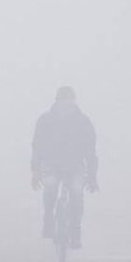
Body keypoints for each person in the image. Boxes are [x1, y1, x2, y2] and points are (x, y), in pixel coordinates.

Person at [31, 85, 98, 248]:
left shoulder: (83, 122)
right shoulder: (45, 120)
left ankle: (76, 232)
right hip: (51, 165)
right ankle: (48, 218)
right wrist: (35, 171)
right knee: (51, 186)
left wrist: (92, 175)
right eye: (63, 101)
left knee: (76, 193)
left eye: (69, 101)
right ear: (57, 101)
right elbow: (37, 147)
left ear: (73, 102)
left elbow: (90, 150)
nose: (66, 104)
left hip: (75, 166)